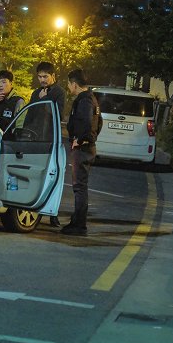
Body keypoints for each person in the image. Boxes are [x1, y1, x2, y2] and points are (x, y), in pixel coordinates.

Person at [61, 69, 102, 236]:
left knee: (79, 187)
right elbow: (100, 123)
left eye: (69, 84)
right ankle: (76, 221)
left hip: (82, 149)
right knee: (80, 187)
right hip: (87, 147)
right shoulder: (91, 98)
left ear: (74, 84)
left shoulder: (84, 101)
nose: (69, 87)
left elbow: (86, 121)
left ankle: (79, 225)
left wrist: (81, 140)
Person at [27, 62, 66, 227]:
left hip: (51, 140)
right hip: (35, 140)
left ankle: (52, 213)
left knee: (53, 176)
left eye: (45, 76)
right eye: (40, 76)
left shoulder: (58, 92)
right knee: (35, 177)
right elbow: (29, 115)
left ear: (53, 76)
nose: (42, 80)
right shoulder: (36, 93)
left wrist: (45, 101)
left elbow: (58, 115)